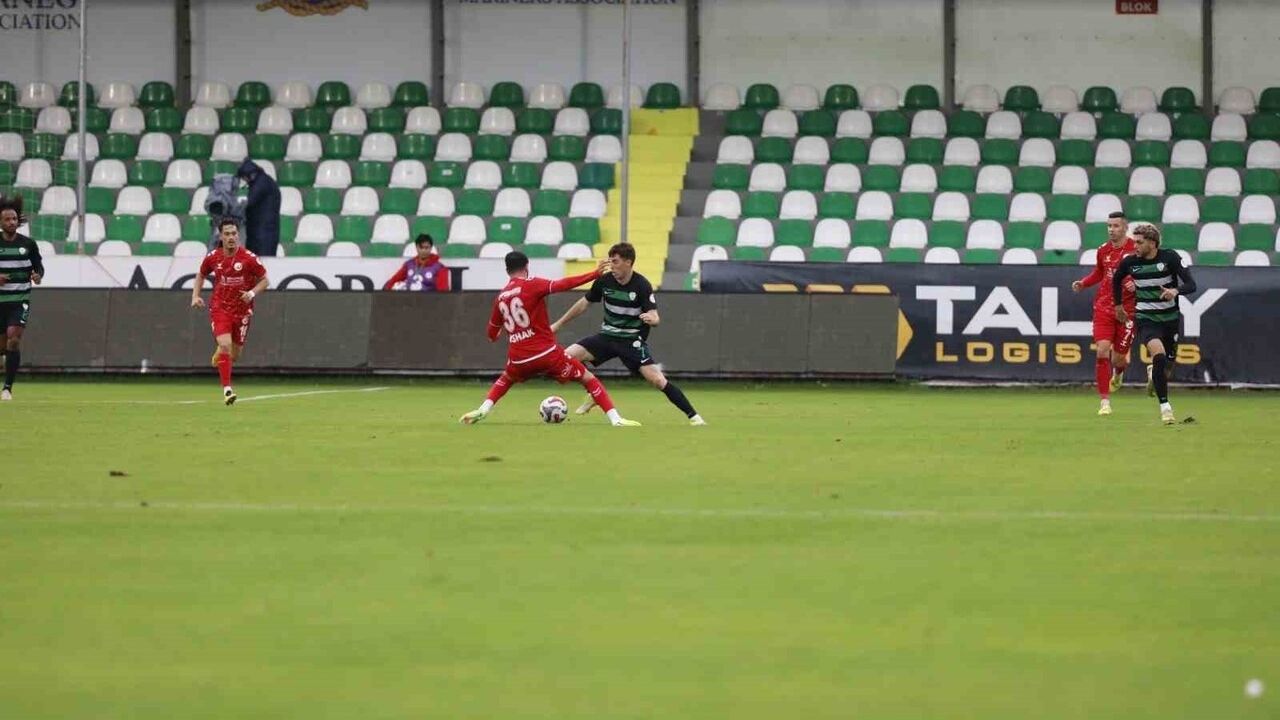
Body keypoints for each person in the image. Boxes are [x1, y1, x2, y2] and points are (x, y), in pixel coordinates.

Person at [460, 251, 640, 427]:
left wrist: (507, 331)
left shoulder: (500, 297)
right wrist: (594, 274)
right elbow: (564, 284)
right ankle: (616, 419)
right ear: (526, 266)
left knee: (507, 378)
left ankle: (483, 409)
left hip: (518, 358)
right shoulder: (532, 284)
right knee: (588, 378)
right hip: (546, 354)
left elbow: (491, 334)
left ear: (507, 271)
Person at [551, 242, 705, 426]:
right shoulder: (604, 280)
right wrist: (558, 324)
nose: (612, 266)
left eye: (615, 262)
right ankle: (593, 392)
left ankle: (694, 417)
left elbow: (656, 317)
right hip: (606, 337)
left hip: (631, 341)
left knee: (656, 380)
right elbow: (584, 303)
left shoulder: (642, 285)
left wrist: (651, 318)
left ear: (628, 262)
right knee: (566, 357)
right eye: (610, 261)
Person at [1113, 223, 1197, 425]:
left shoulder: (1170, 258)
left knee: (1165, 370)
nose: (1135, 246)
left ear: (1152, 243)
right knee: (1158, 355)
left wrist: (1174, 291)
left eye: (1140, 243)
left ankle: (1154, 373)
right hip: (1146, 319)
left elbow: (1191, 284)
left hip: (1170, 320)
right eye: (1135, 242)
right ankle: (1165, 408)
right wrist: (1118, 307)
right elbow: (1116, 280)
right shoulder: (1130, 262)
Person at [190, 220, 269, 406]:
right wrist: (195, 296)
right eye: (227, 234)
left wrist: (251, 293)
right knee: (225, 345)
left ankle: (221, 353)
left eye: (234, 233)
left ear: (238, 235)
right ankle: (227, 390)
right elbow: (201, 274)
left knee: (235, 355)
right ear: (221, 236)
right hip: (220, 308)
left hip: (242, 312)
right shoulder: (213, 257)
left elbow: (265, 281)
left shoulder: (249, 258)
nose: (231, 237)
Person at [1072, 211, 1137, 415]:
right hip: (1103, 307)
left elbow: (1147, 274)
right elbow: (1100, 273)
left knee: (1120, 360)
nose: (1111, 229)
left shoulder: (1137, 249)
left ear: (1125, 227)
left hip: (1127, 311)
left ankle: (1118, 373)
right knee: (1101, 350)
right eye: (1109, 226)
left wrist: (1134, 283)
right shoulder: (1103, 250)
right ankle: (1104, 402)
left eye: (1116, 226)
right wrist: (1084, 283)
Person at [0, 197, 43, 401]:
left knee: (14, 338)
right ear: (1, 222)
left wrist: (38, 275)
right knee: (3, 346)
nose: (11, 222)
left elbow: (39, 267)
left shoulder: (28, 244)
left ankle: (7, 388)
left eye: (14, 219)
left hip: (20, 299)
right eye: (7, 219)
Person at [236, 159, 281, 258]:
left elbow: (250, 202)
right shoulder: (264, 181)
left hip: (263, 234)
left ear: (250, 175)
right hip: (261, 232)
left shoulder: (261, 183)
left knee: (263, 263)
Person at [382, 234, 451, 291]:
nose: (424, 250)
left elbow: (443, 292)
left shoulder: (439, 268)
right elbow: (395, 279)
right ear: (416, 247)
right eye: (421, 247)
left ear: (431, 248)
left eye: (426, 248)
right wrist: (386, 288)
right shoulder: (409, 264)